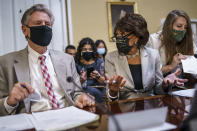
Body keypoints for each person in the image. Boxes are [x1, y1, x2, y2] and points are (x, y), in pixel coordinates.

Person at [0, 4, 94, 116]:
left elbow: (76, 93)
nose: (44, 27)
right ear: (25, 30)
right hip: (32, 121)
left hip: (67, 116)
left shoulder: (67, 59)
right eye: (38, 23)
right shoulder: (6, 62)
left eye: (48, 24)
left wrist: (81, 97)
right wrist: (10, 101)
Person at [105, 13, 188, 100]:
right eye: (117, 36)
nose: (119, 39)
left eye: (122, 35)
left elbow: (159, 89)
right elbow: (110, 97)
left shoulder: (153, 55)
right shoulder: (111, 58)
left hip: (150, 105)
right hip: (125, 107)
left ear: (137, 36)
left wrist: (165, 83)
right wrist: (113, 92)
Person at [147, 10, 197, 75]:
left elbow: (194, 58)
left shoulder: (188, 38)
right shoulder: (153, 40)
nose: (183, 30)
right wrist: (171, 66)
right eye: (179, 26)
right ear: (169, 26)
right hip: (161, 82)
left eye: (186, 27)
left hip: (184, 81)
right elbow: (150, 72)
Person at [75, 37, 106, 103]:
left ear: (93, 50)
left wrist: (98, 76)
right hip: (83, 90)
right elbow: (74, 84)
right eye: (85, 49)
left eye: (90, 49)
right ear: (80, 50)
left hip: (98, 89)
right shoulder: (76, 63)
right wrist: (81, 80)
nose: (87, 51)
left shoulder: (99, 62)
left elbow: (104, 82)